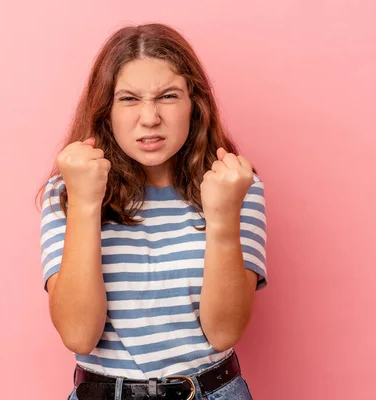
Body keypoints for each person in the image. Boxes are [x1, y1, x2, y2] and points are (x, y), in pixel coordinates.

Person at [37, 23, 267, 400]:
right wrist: (84, 203)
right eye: (129, 99)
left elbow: (224, 332)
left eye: (168, 96)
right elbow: (78, 334)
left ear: (195, 104)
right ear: (105, 109)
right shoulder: (67, 191)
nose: (149, 118)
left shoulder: (237, 186)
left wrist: (223, 216)